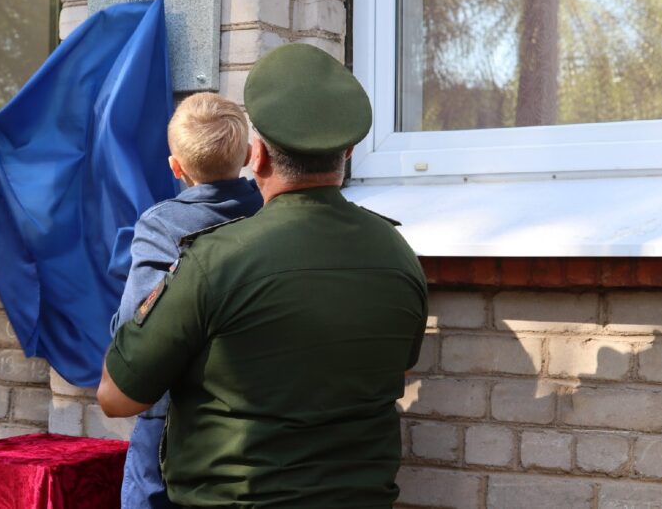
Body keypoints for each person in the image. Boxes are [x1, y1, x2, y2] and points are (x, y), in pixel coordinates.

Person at [97, 44, 429, 508]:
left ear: (257, 156)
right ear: (348, 152)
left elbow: (117, 396)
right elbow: (400, 367)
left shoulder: (217, 260)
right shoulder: (398, 254)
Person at [109, 92, 263, 509]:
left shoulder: (162, 225)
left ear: (176, 167)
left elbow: (134, 332)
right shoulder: (270, 213)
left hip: (170, 415)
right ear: (249, 154)